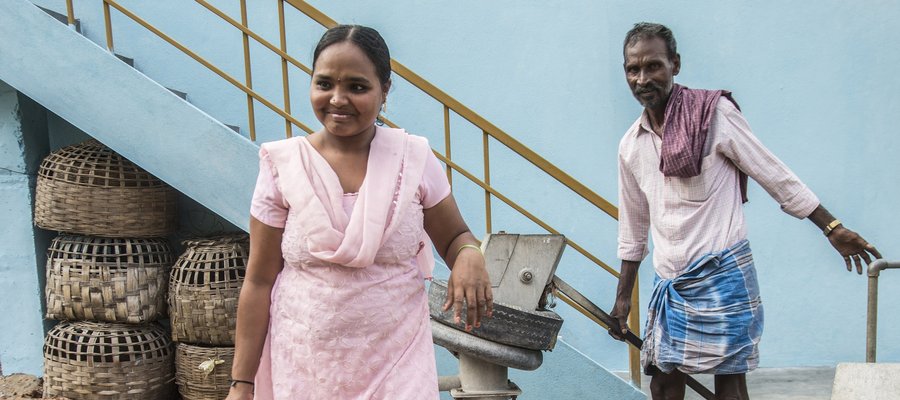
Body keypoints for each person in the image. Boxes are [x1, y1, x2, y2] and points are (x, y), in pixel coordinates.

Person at [608, 22, 881, 400]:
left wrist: (831, 226)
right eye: (632, 69)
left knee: (731, 387)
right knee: (663, 382)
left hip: (724, 274)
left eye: (653, 66)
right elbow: (634, 228)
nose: (642, 78)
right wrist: (623, 299)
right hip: (669, 283)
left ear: (675, 64)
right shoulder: (630, 146)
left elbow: (772, 173)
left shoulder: (713, 114)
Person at [225, 25, 493, 400]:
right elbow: (258, 281)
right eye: (324, 84)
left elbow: (455, 238)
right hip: (305, 366)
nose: (337, 99)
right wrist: (242, 384)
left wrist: (469, 256)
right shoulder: (283, 165)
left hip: (396, 362)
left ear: (385, 91)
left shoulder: (413, 159)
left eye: (357, 86)